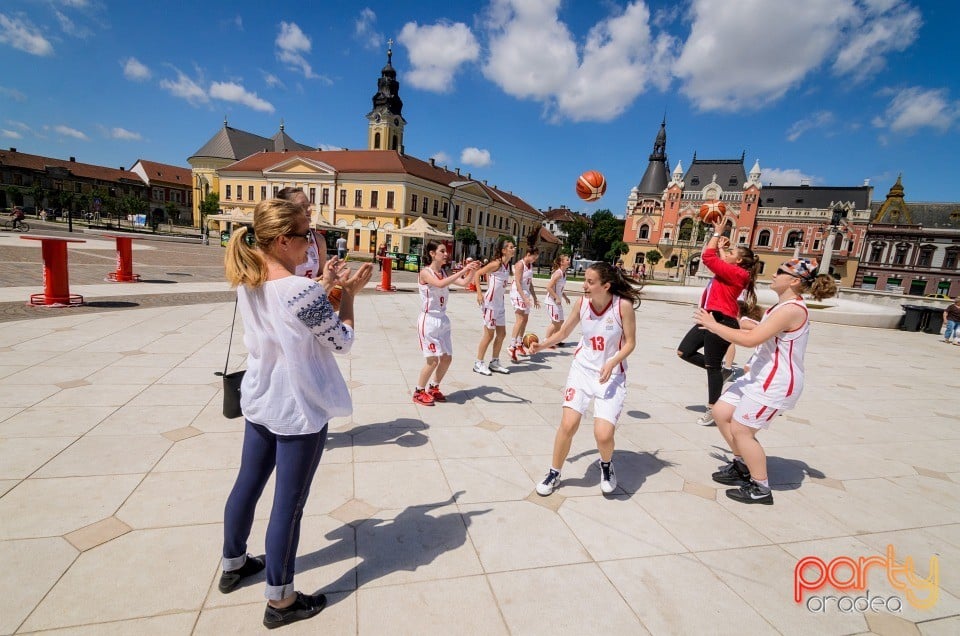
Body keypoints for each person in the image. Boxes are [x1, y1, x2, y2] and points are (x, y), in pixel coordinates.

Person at [220, 198, 373, 629]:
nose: (313, 240)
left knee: (246, 485)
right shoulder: (299, 290)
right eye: (307, 234)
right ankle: (281, 601)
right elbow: (341, 342)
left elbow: (292, 318)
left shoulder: (247, 278)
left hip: (261, 396)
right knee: (288, 505)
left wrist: (325, 287)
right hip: (297, 405)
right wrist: (348, 298)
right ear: (284, 240)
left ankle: (233, 564)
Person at [695, 257, 836, 505]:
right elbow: (762, 333)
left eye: (780, 272)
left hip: (775, 382)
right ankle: (742, 465)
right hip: (758, 376)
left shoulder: (792, 310)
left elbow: (751, 340)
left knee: (741, 430)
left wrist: (713, 325)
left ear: (794, 280)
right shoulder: (781, 307)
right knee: (720, 411)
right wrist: (745, 324)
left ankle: (761, 487)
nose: (773, 274)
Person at [528, 263, 641, 495]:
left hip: (611, 375)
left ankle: (607, 465)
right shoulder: (582, 303)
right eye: (585, 280)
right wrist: (542, 346)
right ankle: (554, 473)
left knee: (603, 434)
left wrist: (612, 361)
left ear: (606, 286)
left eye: (590, 282)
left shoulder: (623, 307)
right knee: (568, 424)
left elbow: (630, 342)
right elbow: (563, 333)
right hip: (582, 370)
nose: (584, 285)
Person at [677, 221, 760, 426]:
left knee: (711, 366)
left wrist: (717, 233)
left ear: (739, 260)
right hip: (710, 316)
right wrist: (723, 249)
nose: (728, 253)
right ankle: (719, 371)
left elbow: (707, 257)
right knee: (684, 352)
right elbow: (723, 262)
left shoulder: (739, 274)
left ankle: (712, 409)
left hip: (722, 320)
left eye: (732, 252)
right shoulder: (735, 270)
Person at [413, 241, 480, 405]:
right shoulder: (425, 272)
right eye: (442, 251)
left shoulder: (444, 271)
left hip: (442, 319)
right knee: (433, 360)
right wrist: (464, 269)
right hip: (428, 319)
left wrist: (472, 271)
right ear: (432, 253)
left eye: (445, 251)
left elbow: (464, 283)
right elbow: (441, 284)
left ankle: (433, 387)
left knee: (447, 358)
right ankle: (418, 391)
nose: (446, 254)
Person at [473, 237, 516, 376]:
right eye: (510, 247)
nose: (513, 249)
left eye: (513, 247)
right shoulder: (495, 264)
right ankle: (478, 363)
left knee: (502, 334)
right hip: (490, 304)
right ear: (503, 250)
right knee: (488, 335)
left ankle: (494, 362)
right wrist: (479, 293)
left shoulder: (507, 265)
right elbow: (478, 273)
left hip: (500, 304)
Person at [276, 187, 332, 287]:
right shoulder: (275, 241)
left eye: (309, 205)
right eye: (303, 206)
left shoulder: (318, 240)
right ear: (285, 210)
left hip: (310, 299)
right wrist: (305, 285)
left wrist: (330, 277)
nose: (310, 209)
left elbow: (321, 275)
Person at [508, 246, 540, 362]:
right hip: (517, 292)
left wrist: (534, 297)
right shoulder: (520, 265)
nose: (535, 259)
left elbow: (529, 283)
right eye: (534, 256)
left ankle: (519, 342)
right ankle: (512, 346)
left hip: (525, 293)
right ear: (528, 254)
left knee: (525, 319)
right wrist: (524, 297)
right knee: (520, 319)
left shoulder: (530, 265)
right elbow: (517, 282)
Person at [544, 253, 572, 346]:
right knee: (556, 322)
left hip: (557, 301)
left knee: (561, 321)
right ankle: (546, 341)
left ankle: (555, 340)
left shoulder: (564, 273)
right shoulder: (558, 273)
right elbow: (548, 287)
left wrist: (565, 297)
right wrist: (556, 297)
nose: (569, 261)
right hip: (551, 301)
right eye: (567, 260)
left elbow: (559, 288)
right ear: (561, 262)